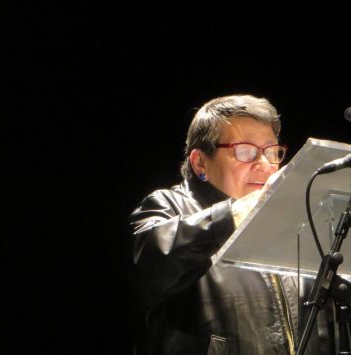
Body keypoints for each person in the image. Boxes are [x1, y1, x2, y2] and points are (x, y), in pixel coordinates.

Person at [129, 95, 330, 355]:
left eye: (271, 152)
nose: (266, 165)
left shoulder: (293, 227)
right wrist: (240, 211)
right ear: (200, 162)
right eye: (245, 151)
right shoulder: (169, 205)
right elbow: (153, 263)